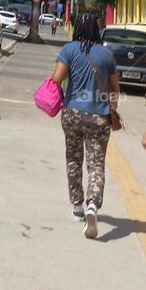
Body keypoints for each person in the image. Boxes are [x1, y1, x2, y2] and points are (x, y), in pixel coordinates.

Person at [51, 12, 119, 239]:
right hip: (99, 115)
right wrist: (111, 108)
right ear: (96, 29)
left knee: (73, 159)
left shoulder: (69, 50)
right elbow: (114, 89)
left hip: (72, 113)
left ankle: (78, 207)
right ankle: (93, 205)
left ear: (77, 30)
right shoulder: (107, 54)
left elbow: (57, 79)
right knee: (96, 163)